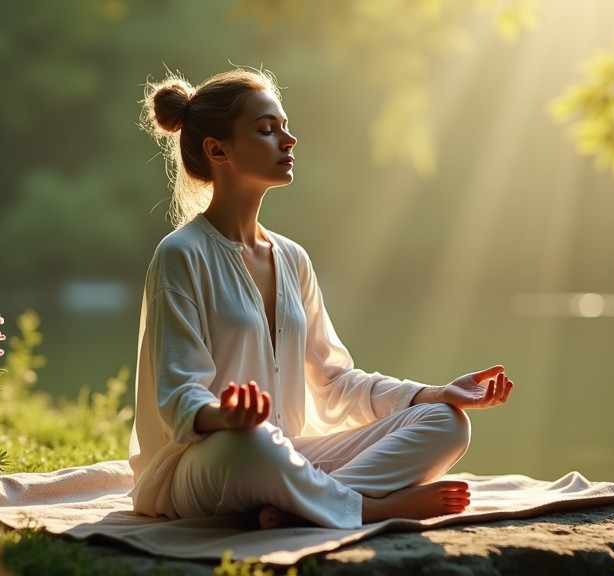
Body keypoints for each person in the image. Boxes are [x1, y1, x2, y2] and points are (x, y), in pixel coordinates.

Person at [129, 67, 513, 530]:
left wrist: (433, 393)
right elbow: (178, 394)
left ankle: (298, 505)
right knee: (256, 441)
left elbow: (334, 382)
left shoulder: (292, 259)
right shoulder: (180, 255)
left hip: (285, 454)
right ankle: (369, 507)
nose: (289, 141)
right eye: (267, 130)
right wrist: (223, 416)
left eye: (285, 127)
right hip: (210, 462)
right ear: (218, 150)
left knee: (447, 423)